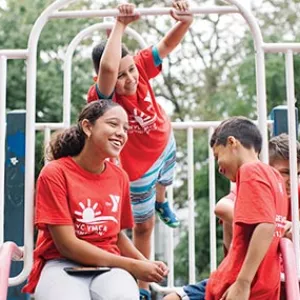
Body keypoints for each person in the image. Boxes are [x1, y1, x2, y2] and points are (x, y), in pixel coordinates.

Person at [87, 2, 193, 298]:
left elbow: (166, 45)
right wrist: (120, 25)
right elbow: (109, 67)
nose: (130, 78)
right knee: (143, 226)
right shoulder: (102, 95)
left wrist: (184, 23)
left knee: (166, 182)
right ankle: (142, 287)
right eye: (122, 75)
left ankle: (162, 200)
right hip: (138, 168)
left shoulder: (141, 66)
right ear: (103, 80)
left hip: (165, 143)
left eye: (131, 69)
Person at [22, 100, 168, 300]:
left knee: (122, 295)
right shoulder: (55, 173)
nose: (121, 133)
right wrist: (132, 266)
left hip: (109, 266)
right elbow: (67, 245)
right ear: (88, 127)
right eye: (113, 124)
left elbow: (116, 236)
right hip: (61, 262)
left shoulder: (119, 177)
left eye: (125, 128)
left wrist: (145, 263)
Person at [164, 117, 288, 300]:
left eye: (217, 156)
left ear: (232, 142)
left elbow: (266, 225)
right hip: (263, 284)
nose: (219, 167)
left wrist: (243, 282)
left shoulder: (249, 171)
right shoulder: (275, 178)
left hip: (237, 284)